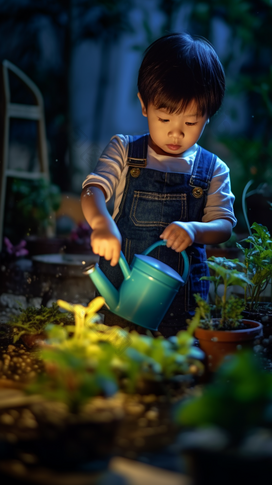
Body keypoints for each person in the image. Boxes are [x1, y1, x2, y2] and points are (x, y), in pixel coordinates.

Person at [81, 32, 237, 337]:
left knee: (175, 363)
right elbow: (93, 190)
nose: (176, 134)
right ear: (144, 105)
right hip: (122, 295)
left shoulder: (213, 169)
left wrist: (194, 230)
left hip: (182, 304)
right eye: (164, 119)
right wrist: (101, 224)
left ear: (209, 116)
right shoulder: (125, 151)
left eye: (190, 123)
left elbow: (224, 225)